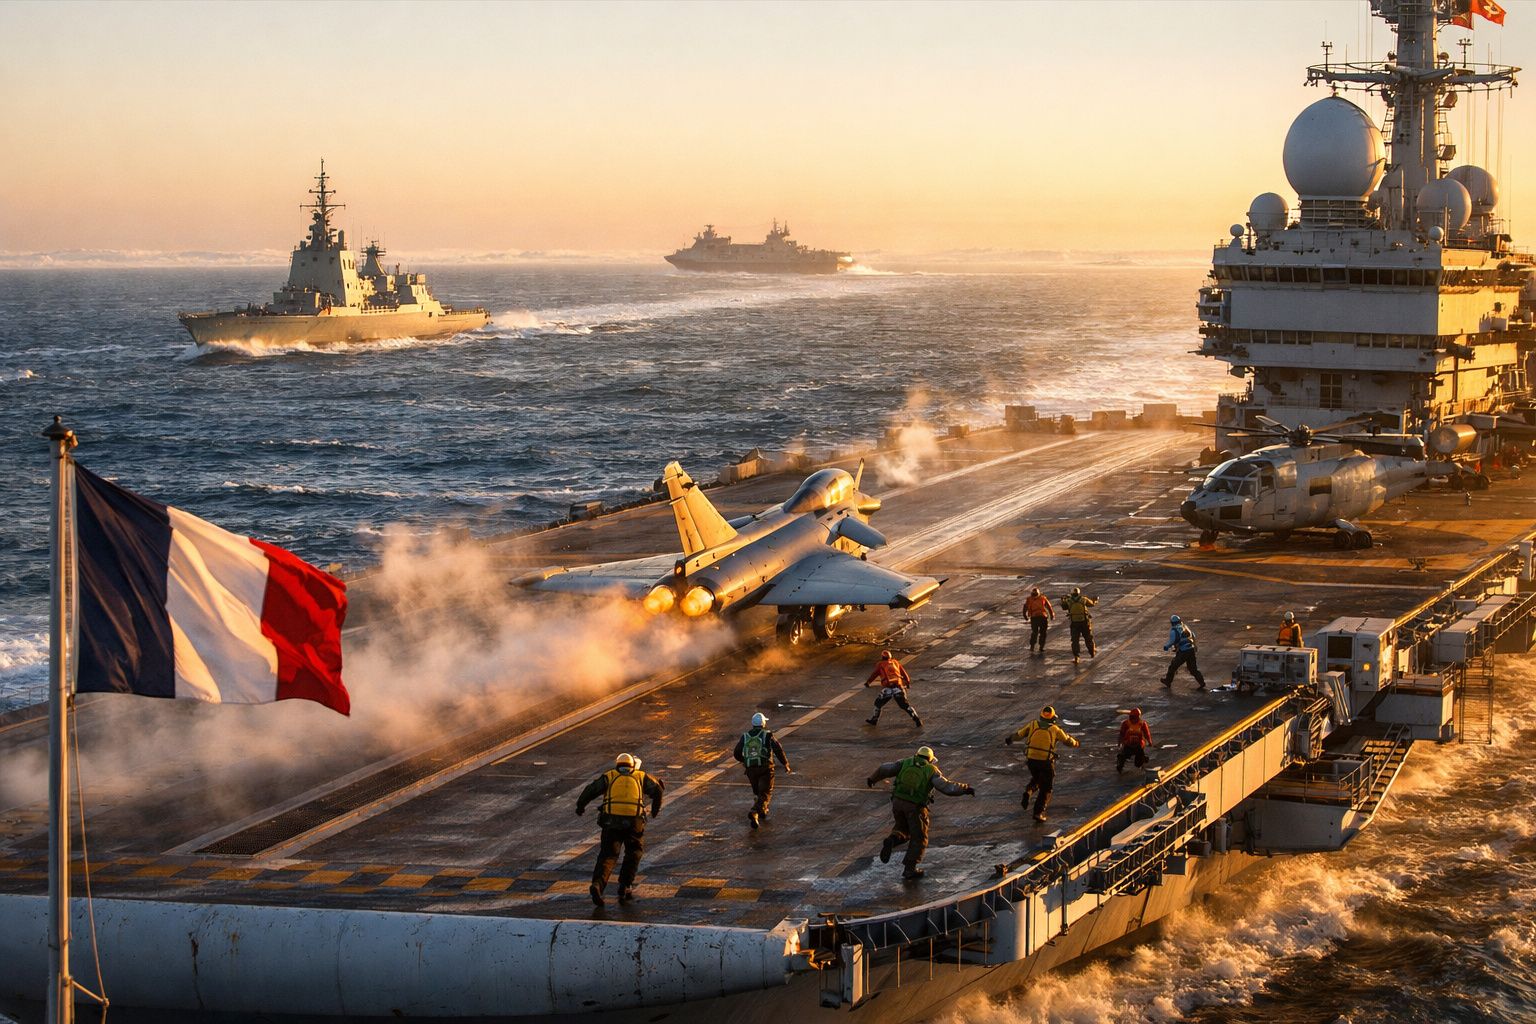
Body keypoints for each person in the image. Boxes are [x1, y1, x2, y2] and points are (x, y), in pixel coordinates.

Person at [866, 745, 975, 879]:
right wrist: (965, 789)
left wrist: (872, 779)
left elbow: (884, 768)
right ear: (930, 759)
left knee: (902, 829)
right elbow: (947, 787)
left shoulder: (905, 762)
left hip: (897, 802)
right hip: (915, 806)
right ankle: (909, 870)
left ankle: (892, 841)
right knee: (919, 837)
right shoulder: (931, 770)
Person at [575, 752, 664, 907]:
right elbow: (658, 789)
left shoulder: (609, 776)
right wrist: (655, 810)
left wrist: (580, 807)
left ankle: (597, 885)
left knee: (608, 856)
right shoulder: (640, 776)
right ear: (632, 766)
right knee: (634, 852)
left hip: (611, 823)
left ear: (617, 765)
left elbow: (590, 790)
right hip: (634, 824)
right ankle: (625, 885)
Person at [1005, 705, 1079, 822]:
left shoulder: (1033, 724)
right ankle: (1038, 812)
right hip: (1045, 761)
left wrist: (1010, 739)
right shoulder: (1055, 729)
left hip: (1031, 760)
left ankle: (1028, 791)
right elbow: (1068, 741)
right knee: (1046, 787)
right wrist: (1076, 743)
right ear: (1053, 718)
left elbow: (1019, 735)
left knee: (1037, 779)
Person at [733, 712, 791, 829]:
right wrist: (785, 763)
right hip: (765, 768)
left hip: (751, 770)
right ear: (763, 723)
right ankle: (754, 812)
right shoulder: (768, 735)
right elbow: (778, 749)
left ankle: (762, 811)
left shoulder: (746, 736)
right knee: (765, 793)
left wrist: (745, 761)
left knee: (757, 793)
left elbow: (736, 753)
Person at [865, 650, 923, 728]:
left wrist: (868, 682)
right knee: (905, 705)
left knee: (877, 704)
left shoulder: (880, 664)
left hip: (888, 688)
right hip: (899, 687)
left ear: (882, 657)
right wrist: (907, 682)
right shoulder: (896, 662)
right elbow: (904, 673)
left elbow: (874, 674)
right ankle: (917, 719)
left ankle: (874, 720)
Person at [1162, 614, 1206, 690]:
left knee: (1173, 666)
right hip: (1191, 649)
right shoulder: (1185, 627)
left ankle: (1168, 681)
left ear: (1172, 623)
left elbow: (1172, 641)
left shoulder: (1174, 630)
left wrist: (1166, 646)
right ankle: (1202, 682)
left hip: (1183, 651)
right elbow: (1193, 635)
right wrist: (1194, 645)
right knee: (1193, 669)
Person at [1061, 586, 1098, 663]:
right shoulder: (1083, 599)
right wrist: (1095, 601)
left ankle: (1076, 657)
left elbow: (1063, 607)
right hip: (1084, 622)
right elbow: (1091, 604)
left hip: (1074, 623)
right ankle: (1092, 652)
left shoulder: (1069, 600)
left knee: (1075, 641)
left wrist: (1063, 600)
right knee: (1088, 638)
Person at [1117, 708, 1152, 774]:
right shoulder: (1126, 723)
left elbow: (1147, 734)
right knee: (1122, 756)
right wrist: (1119, 742)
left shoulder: (1142, 724)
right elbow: (1122, 733)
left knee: (1138, 764)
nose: (1133, 719)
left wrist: (1149, 742)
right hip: (1128, 745)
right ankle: (1120, 768)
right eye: (1132, 717)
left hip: (1138, 745)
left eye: (1135, 717)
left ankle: (1143, 759)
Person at [1023, 587, 1055, 654]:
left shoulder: (1040, 598)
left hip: (1040, 617)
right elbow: (1049, 607)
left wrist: (1025, 615)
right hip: (1038, 618)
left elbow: (1049, 607)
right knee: (1038, 632)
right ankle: (1036, 646)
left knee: (1038, 632)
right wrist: (1052, 615)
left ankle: (1038, 646)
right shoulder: (1039, 598)